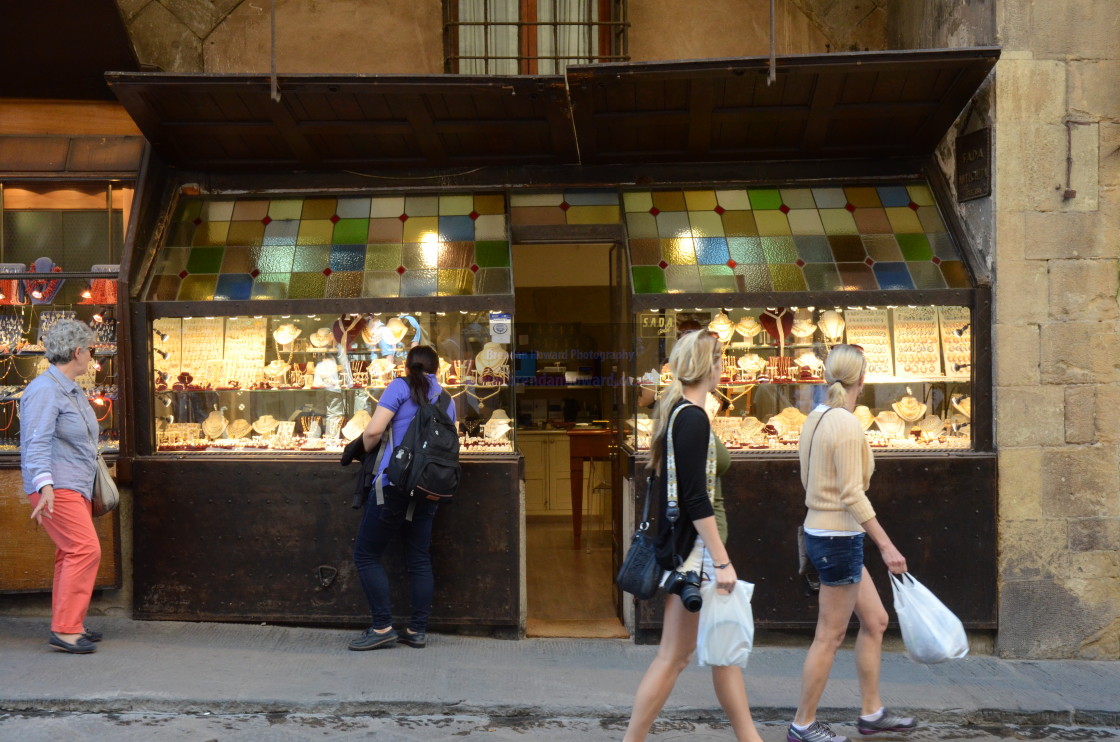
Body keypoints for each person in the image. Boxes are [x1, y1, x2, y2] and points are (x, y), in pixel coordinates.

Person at [623, 330, 764, 742]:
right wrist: (721, 560)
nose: (724, 366)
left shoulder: (684, 413)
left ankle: (749, 737)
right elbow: (695, 499)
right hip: (698, 555)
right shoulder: (692, 417)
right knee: (675, 656)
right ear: (708, 366)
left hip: (698, 552)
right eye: (720, 359)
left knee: (719, 656)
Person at [787, 344, 915, 742]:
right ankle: (802, 725)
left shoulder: (818, 417)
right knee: (830, 635)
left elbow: (812, 480)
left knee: (875, 621)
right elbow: (852, 494)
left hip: (827, 533)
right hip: (838, 537)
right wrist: (886, 545)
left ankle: (872, 712)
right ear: (863, 378)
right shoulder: (845, 423)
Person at [350, 345, 455, 651]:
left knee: (366, 555)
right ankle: (416, 630)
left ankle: (382, 627)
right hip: (428, 487)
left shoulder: (399, 387)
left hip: (393, 485)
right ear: (437, 368)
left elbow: (373, 432)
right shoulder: (448, 398)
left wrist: (359, 451)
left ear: (407, 366)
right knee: (419, 558)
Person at [20, 318, 103, 655]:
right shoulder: (44, 390)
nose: (92, 357)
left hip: (74, 483)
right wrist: (44, 486)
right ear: (77, 351)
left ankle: (71, 623)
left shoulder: (68, 388)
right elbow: (35, 442)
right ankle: (66, 630)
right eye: (91, 350)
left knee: (70, 553)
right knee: (85, 550)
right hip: (56, 486)